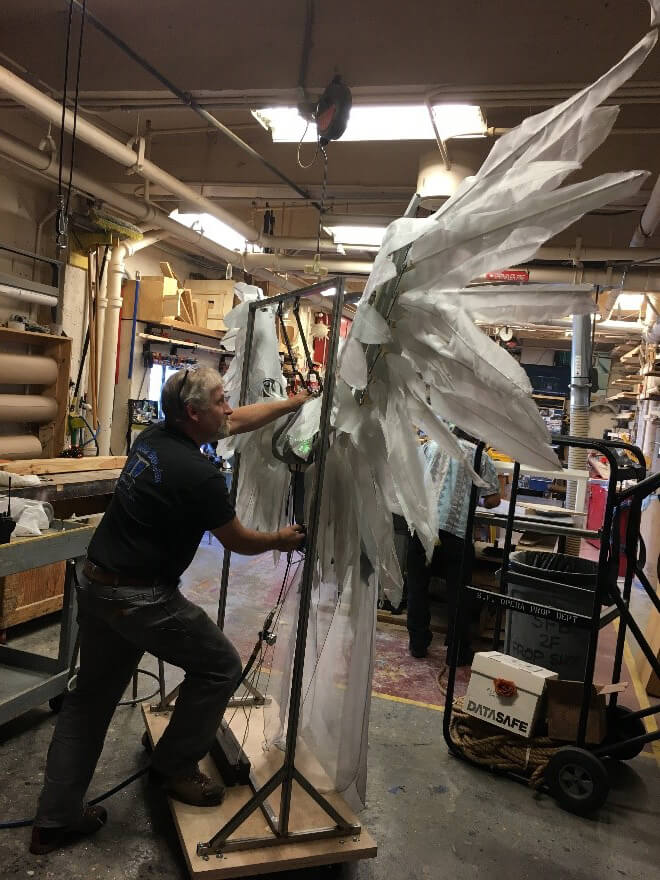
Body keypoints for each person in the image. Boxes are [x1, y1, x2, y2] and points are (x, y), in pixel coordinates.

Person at [30, 367, 309, 855]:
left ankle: (54, 819)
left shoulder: (154, 438)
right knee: (220, 666)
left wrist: (291, 404)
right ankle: (175, 766)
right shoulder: (200, 475)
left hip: (98, 582)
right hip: (141, 598)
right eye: (220, 401)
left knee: (89, 702)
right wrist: (280, 540)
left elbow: (237, 421)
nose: (229, 408)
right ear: (194, 413)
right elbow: (239, 541)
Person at [406, 429, 501, 664]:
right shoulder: (480, 456)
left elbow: (412, 476)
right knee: (458, 595)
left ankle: (418, 644)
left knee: (417, 588)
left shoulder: (431, 445)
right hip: (456, 534)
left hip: (424, 529)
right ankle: (457, 652)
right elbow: (493, 500)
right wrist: (474, 496)